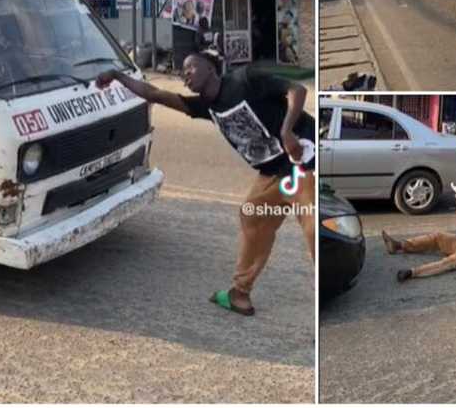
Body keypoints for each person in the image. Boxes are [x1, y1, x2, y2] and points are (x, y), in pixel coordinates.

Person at [96, 52, 317, 314]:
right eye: (181, 72)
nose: (184, 74)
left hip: (303, 159)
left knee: (314, 227)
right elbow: (155, 94)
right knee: (253, 218)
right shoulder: (206, 107)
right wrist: (119, 76)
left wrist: (287, 130)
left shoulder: (244, 79)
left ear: (211, 68)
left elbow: (296, 89)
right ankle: (240, 293)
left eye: (190, 67)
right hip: (273, 174)